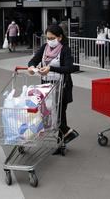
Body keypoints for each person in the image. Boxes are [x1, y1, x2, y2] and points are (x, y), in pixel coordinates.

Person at [27, 24, 79, 155]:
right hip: (46, 87)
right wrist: (32, 67)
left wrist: (51, 68)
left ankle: (61, 143)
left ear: (60, 37)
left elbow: (70, 68)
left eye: (52, 38)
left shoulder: (65, 50)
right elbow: (33, 60)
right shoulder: (45, 48)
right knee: (50, 114)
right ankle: (68, 133)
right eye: (47, 38)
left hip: (62, 86)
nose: (49, 40)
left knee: (60, 114)